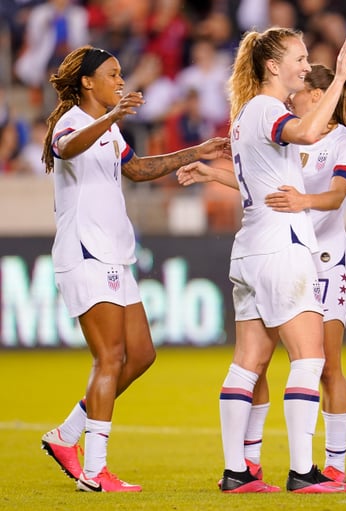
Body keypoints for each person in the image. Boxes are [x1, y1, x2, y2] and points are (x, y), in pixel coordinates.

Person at [39, 45, 228, 492]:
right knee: (110, 358)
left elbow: (138, 169)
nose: (120, 81)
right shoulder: (73, 122)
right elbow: (66, 148)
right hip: (85, 251)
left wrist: (195, 152)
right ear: (88, 82)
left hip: (115, 252)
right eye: (112, 74)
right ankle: (94, 471)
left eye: (121, 74)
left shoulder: (108, 129)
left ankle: (67, 435)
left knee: (141, 354)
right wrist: (111, 118)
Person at [179, 62, 346, 488]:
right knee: (306, 358)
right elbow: (273, 182)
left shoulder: (335, 138)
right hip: (285, 253)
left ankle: (243, 471)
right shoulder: (279, 118)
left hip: (309, 259)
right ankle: (300, 470)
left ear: (317, 97)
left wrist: (304, 200)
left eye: (303, 82)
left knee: (273, 363)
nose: (295, 88)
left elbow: (334, 195)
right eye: (296, 63)